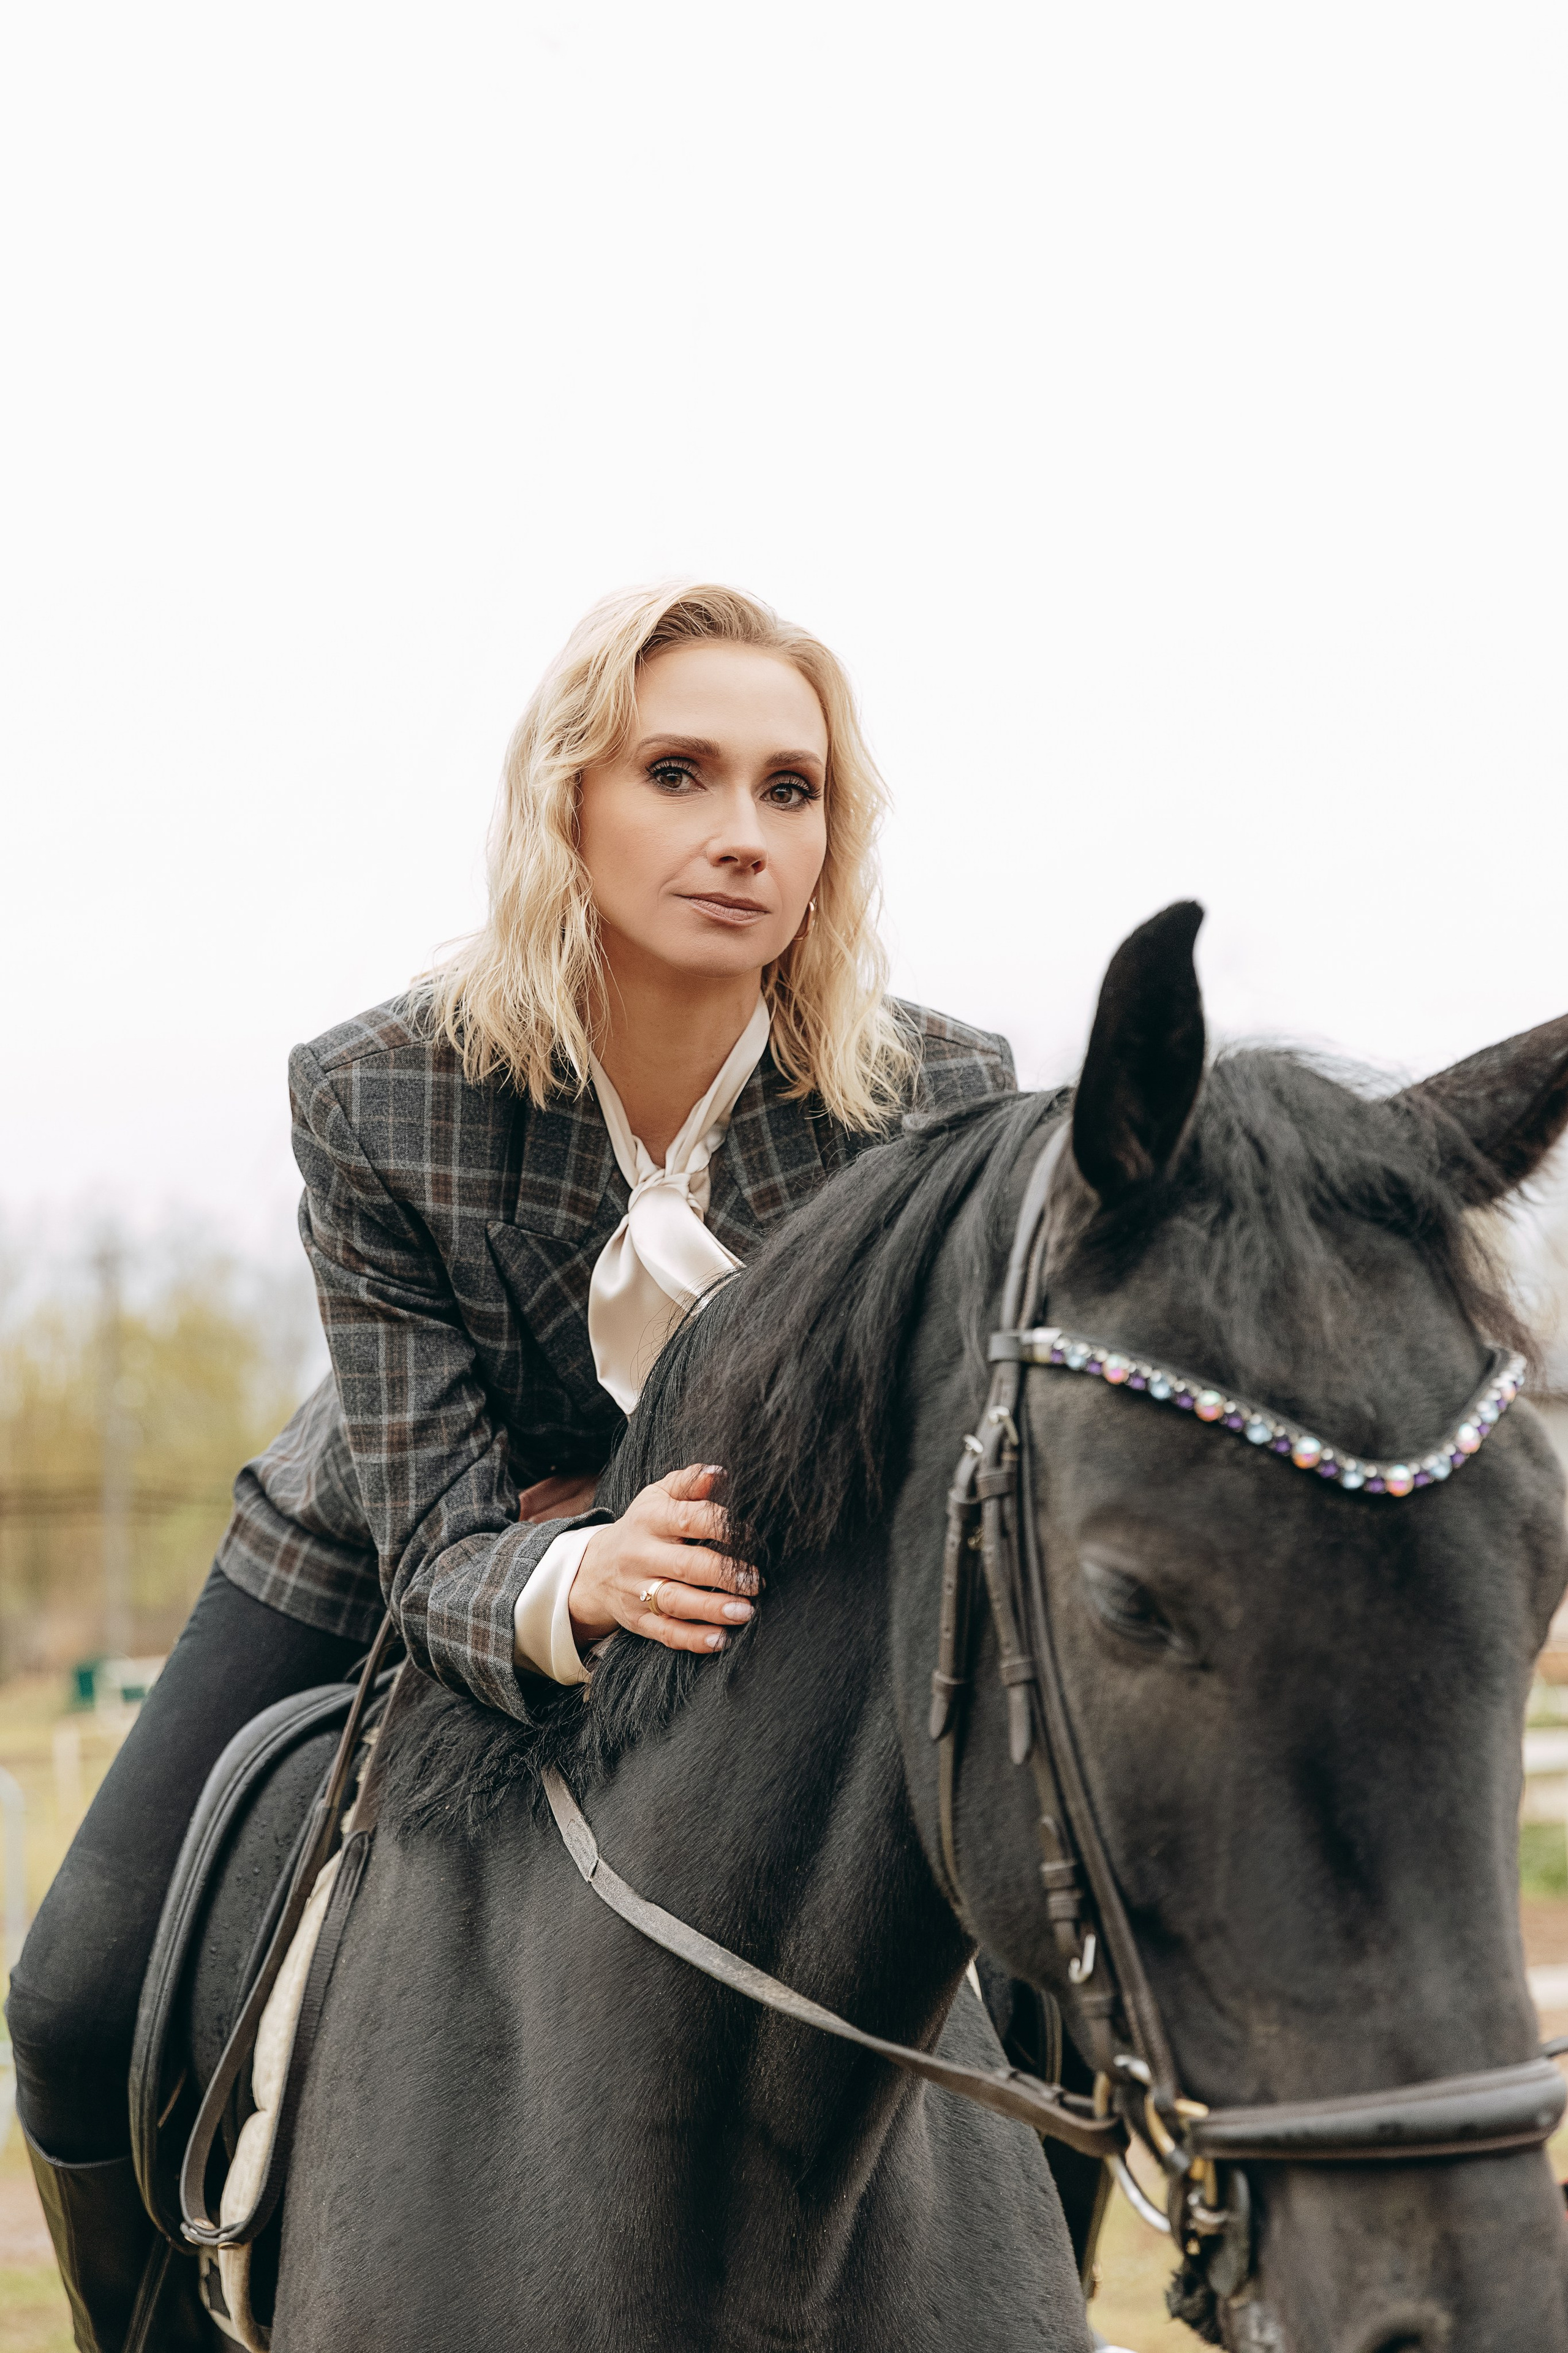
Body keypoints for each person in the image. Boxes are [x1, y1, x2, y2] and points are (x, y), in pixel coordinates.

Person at [7, 581, 1016, 2351]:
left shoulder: (933, 1098)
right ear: (569, 802)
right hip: (405, 1526)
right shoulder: (380, 1090)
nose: (742, 834)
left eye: (793, 790)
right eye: (681, 774)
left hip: (773, 1584)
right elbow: (438, 1524)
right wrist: (573, 1576)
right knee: (77, 1988)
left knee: (1047, 1962)